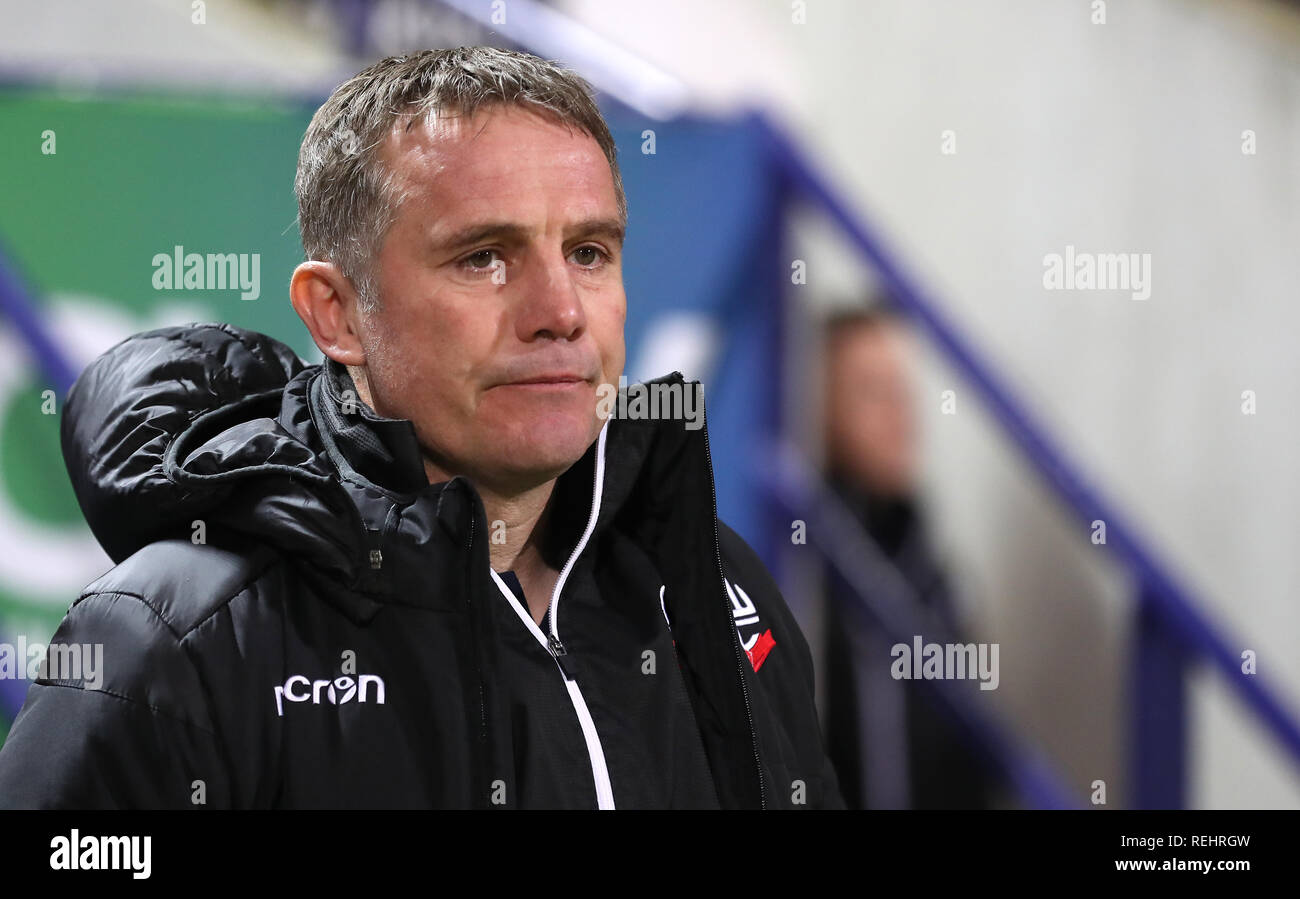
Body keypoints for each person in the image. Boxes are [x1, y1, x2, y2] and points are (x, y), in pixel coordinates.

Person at [0, 47, 841, 809]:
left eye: (589, 251)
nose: (560, 312)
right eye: (484, 257)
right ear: (337, 316)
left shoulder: (714, 582)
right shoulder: (174, 639)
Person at [819, 305, 997, 808]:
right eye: (873, 392)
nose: (902, 414)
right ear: (821, 407)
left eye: (904, 390)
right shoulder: (802, 568)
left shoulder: (934, 576)